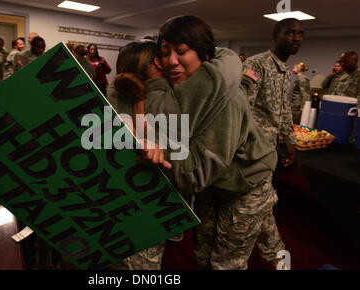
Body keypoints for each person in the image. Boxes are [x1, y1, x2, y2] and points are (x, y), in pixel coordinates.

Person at [110, 16, 279, 270]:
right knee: (203, 252)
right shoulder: (179, 87)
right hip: (212, 183)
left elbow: (194, 175)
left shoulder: (226, 99)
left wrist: (157, 147)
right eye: (165, 53)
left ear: (203, 54)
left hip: (244, 182)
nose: (171, 61)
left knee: (226, 262)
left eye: (181, 52)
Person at [241, 18, 304, 268]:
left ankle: (276, 254)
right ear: (275, 35)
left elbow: (283, 108)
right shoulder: (256, 64)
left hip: (268, 153)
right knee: (257, 204)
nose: (297, 38)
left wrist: (289, 139)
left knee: (264, 202)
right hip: (251, 154)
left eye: (300, 33)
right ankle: (276, 255)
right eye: (290, 33)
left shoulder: (284, 70)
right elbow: (241, 109)